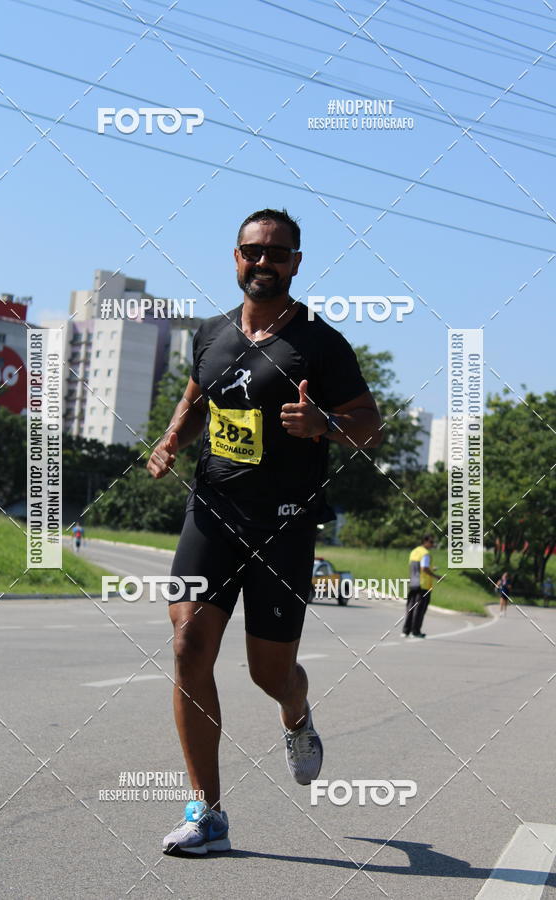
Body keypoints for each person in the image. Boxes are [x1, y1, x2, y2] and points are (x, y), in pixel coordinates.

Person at [146, 208, 382, 856]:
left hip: (284, 526)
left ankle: (296, 713)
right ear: (236, 257)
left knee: (269, 673)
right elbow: (196, 398)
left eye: (278, 253)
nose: (263, 262)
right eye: (253, 251)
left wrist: (326, 425)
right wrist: (172, 438)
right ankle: (207, 813)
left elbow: (369, 423)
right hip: (212, 513)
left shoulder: (320, 343)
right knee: (188, 644)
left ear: (296, 263)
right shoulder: (212, 334)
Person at [402, 534, 440, 638]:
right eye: (431, 542)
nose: (432, 544)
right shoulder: (425, 553)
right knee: (419, 609)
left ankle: (406, 631)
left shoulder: (414, 551)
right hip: (423, 585)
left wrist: (431, 568)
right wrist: (436, 576)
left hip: (413, 582)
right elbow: (424, 568)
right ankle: (415, 632)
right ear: (425, 541)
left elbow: (416, 567)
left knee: (410, 607)